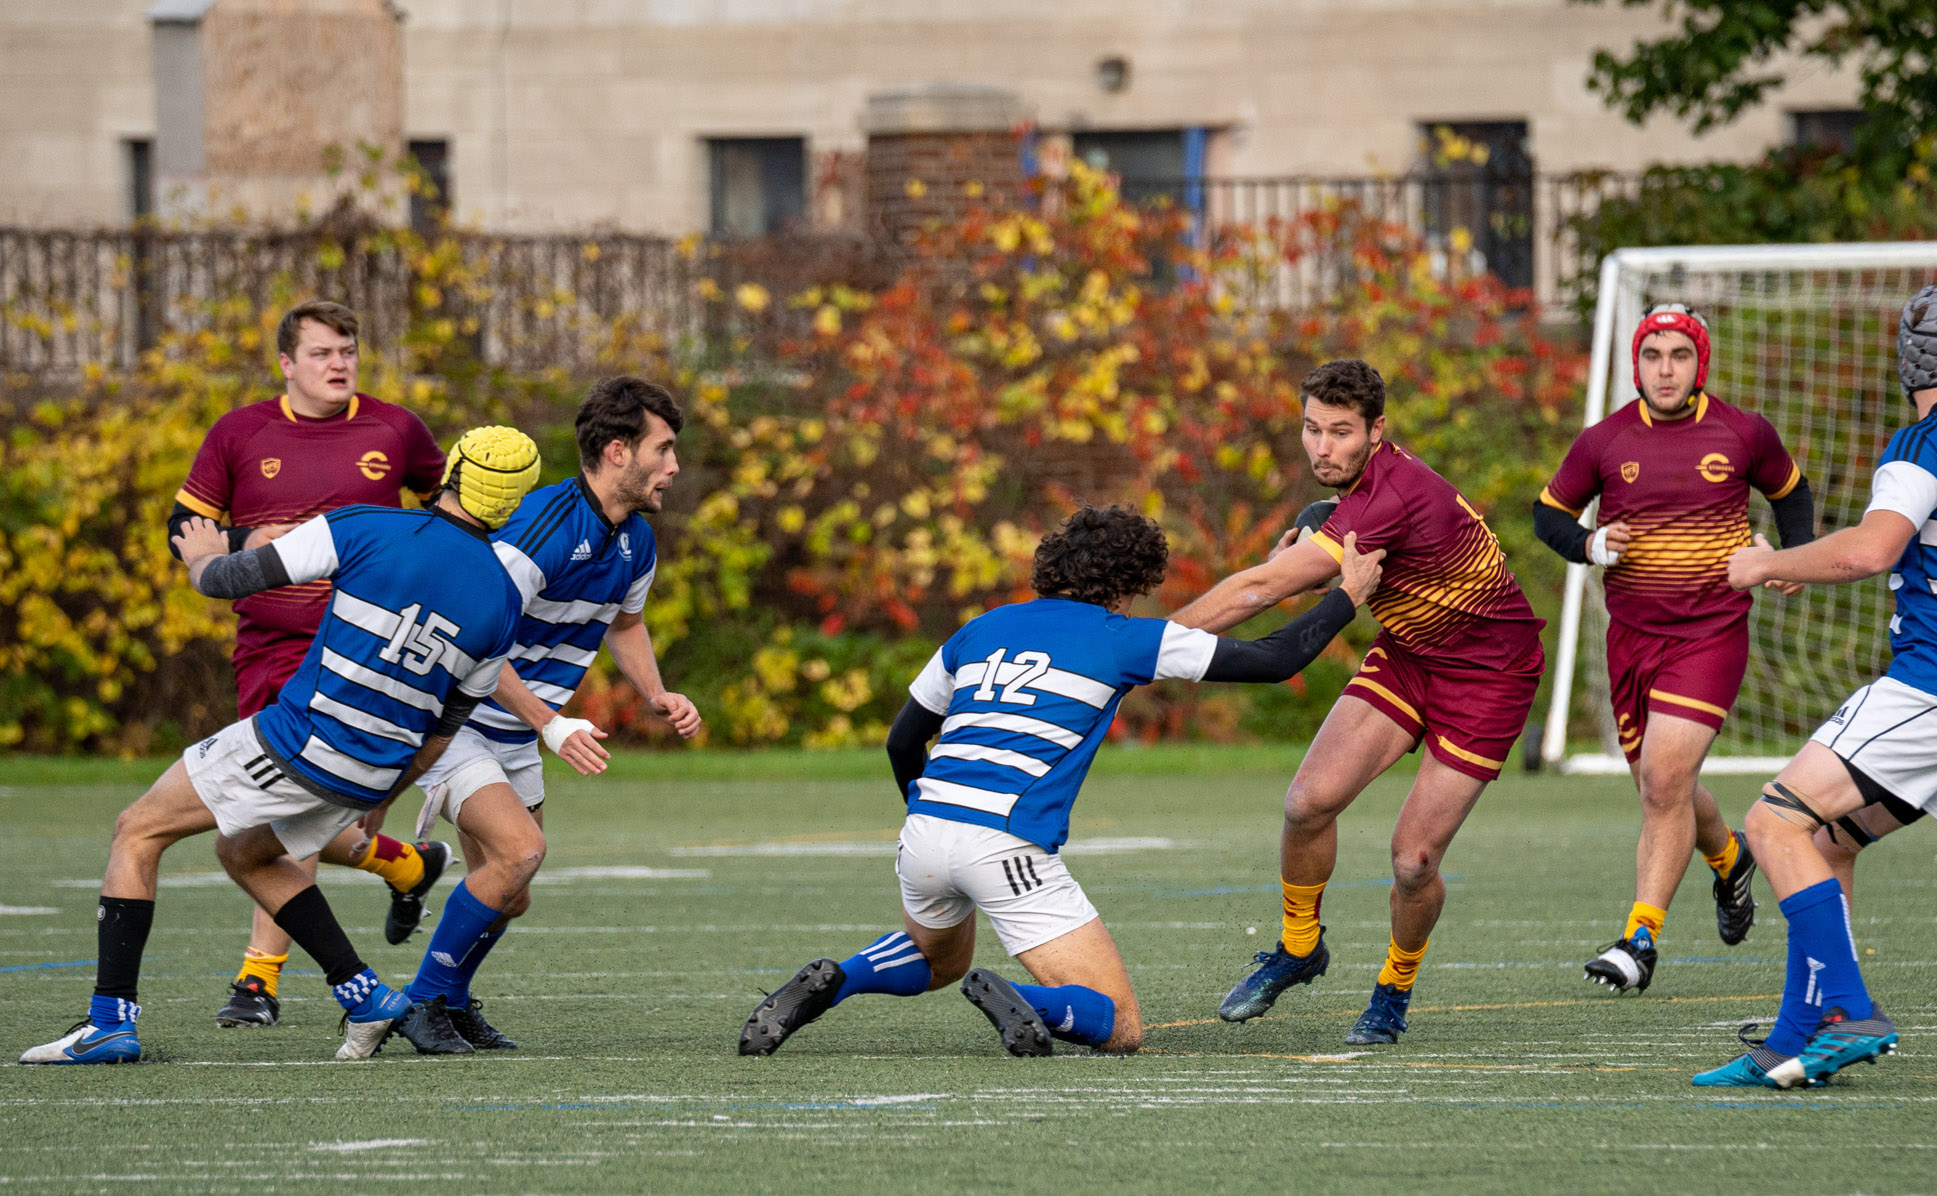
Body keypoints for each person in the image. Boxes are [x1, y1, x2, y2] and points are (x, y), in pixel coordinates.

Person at [738, 504, 1382, 1057]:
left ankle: (842, 978)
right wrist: (1345, 596)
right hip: (1005, 843)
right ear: (1132, 584)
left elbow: (902, 740)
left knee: (940, 959)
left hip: (925, 830)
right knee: (1121, 1023)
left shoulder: (981, 629)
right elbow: (1275, 662)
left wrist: (928, 812)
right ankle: (1029, 1004)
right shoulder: (1122, 637)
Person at [21, 426, 540, 1064]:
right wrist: (380, 797)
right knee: (243, 852)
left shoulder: (366, 526)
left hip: (301, 742)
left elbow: (227, 581)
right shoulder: (505, 600)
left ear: (453, 471)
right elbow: (443, 730)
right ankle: (367, 995)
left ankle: (109, 1023)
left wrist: (202, 554)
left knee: (137, 831)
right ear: (514, 503)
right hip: (374, 771)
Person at [1171, 358, 1545, 1045]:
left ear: (1378, 431)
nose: (1322, 447)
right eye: (1312, 429)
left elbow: (1258, 590)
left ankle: (1393, 989)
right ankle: (1298, 947)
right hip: (1411, 653)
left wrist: (1148, 643)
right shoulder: (1364, 493)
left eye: (1341, 432)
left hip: (1491, 675)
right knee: (1307, 801)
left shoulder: (1389, 497)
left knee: (1413, 862)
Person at [1694, 280, 1937, 1088]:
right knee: (1829, 840)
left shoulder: (1924, 444)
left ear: (1910, 357)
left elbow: (1871, 549)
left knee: (1770, 823)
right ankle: (1797, 1037)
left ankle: (1848, 1011)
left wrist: (1765, 562)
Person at [392, 376, 702, 1054]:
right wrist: (550, 722)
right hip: (456, 718)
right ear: (618, 451)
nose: (675, 466)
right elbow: (471, 637)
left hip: (513, 728)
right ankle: (416, 1005)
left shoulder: (635, 542)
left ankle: (450, 999)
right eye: (664, 449)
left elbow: (625, 624)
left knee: (511, 888)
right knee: (521, 852)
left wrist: (655, 693)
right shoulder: (542, 528)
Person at [168, 299, 455, 1028]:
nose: (338, 364)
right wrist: (248, 538)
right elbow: (185, 528)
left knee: (283, 808)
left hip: (359, 652)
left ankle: (257, 980)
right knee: (292, 812)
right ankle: (405, 863)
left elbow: (446, 519)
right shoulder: (239, 432)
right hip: (266, 652)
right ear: (286, 363)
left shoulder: (396, 429)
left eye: (348, 351)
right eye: (323, 352)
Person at [1533, 304, 1816, 994]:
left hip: (1710, 634)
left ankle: (1639, 939)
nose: (1665, 369)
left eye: (1678, 356)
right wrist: (1589, 544)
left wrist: (1792, 557)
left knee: (1663, 783)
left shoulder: (1742, 431)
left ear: (1700, 363)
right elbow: (1548, 513)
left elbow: (1792, 491)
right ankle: (1729, 860)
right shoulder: (1604, 440)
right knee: (1665, 789)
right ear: (1636, 362)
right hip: (1631, 641)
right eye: (1653, 355)